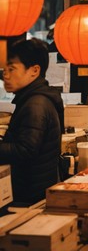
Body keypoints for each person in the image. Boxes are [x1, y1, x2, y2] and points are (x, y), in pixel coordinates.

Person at [0, 37, 63, 205]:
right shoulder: (33, 98)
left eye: (11, 69)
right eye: (4, 69)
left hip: (30, 197)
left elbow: (25, 150)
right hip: (35, 192)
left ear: (34, 71)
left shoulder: (36, 104)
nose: (5, 75)